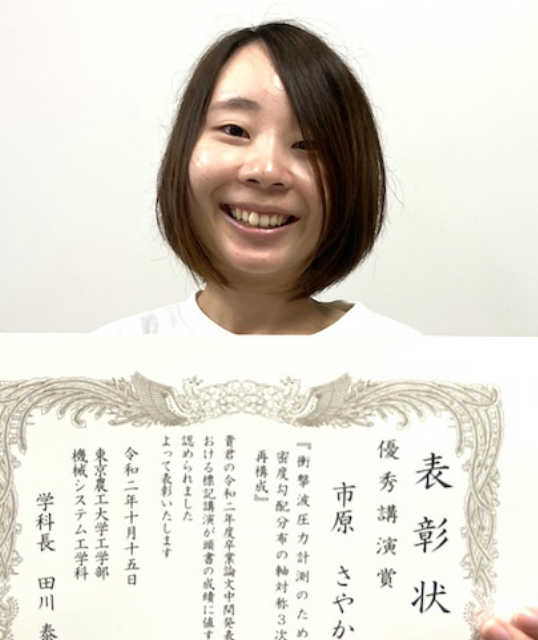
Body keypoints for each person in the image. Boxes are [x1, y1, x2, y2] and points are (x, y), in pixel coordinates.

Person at [93, 21, 538, 640]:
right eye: (234, 130)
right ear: (184, 152)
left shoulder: (422, 386)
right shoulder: (102, 369)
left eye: (309, 144)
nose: (267, 168)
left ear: (350, 180)